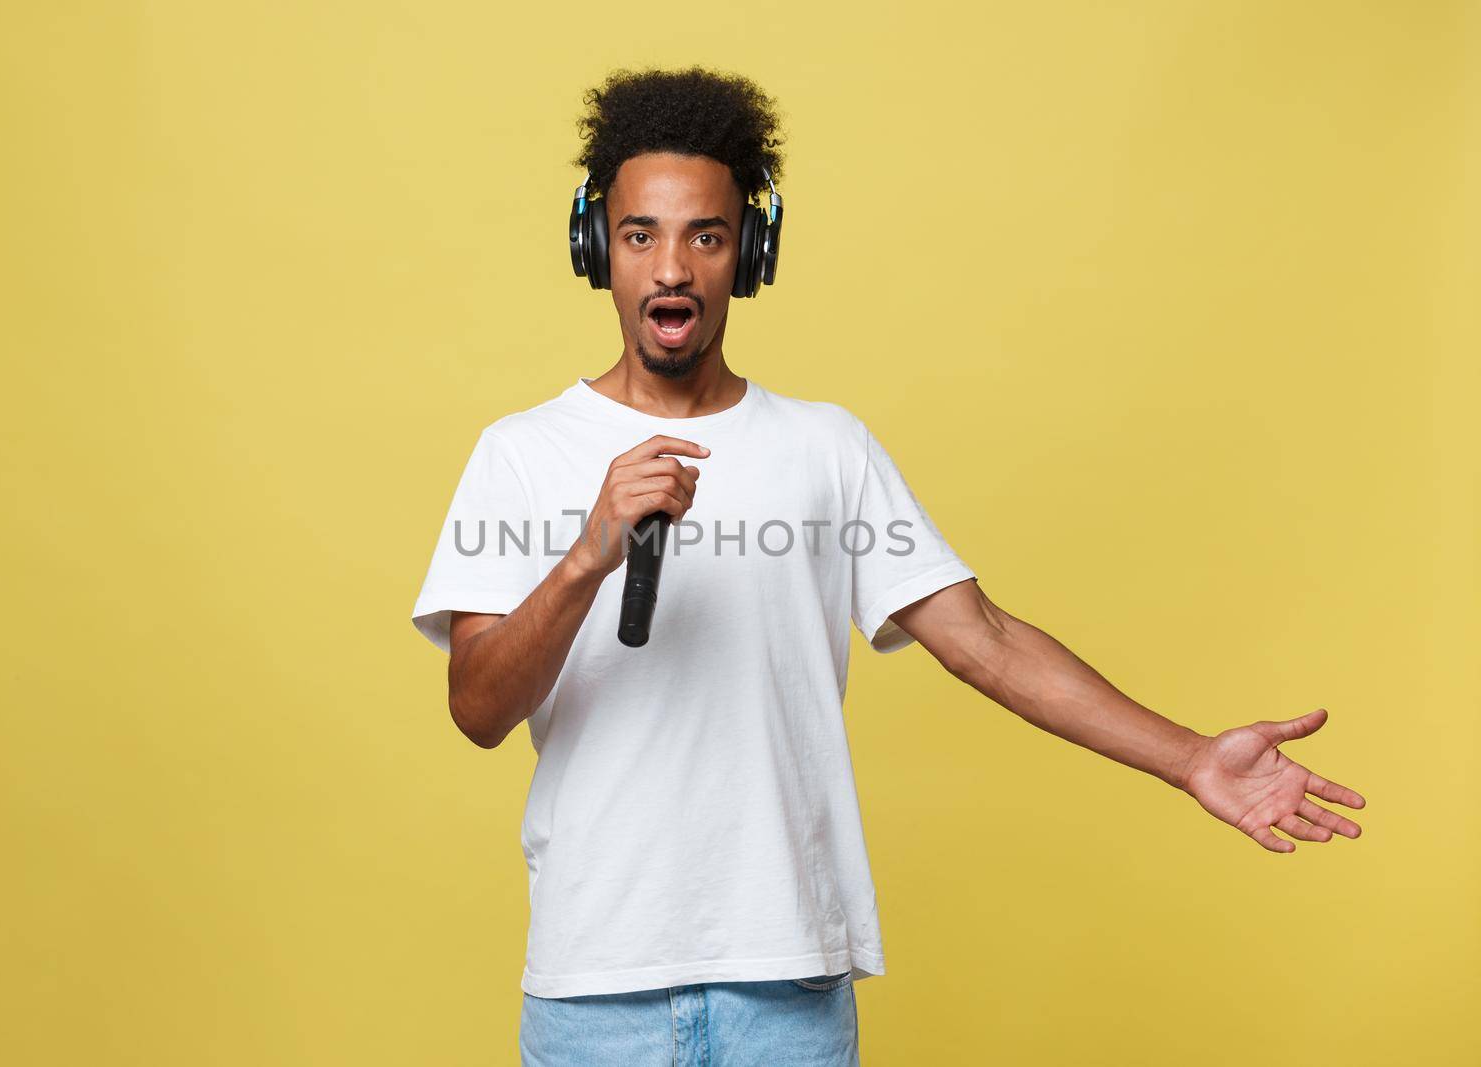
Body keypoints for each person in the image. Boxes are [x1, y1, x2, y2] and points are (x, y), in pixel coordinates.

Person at [409, 65, 1367, 1067]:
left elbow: (986, 642)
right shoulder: (520, 453)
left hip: (786, 988)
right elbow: (477, 706)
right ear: (597, 245)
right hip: (594, 990)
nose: (671, 267)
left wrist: (1187, 756)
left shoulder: (827, 448)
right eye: (640, 233)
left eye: (707, 233)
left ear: (749, 252)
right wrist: (586, 558)